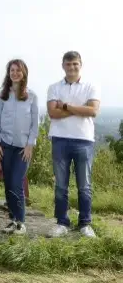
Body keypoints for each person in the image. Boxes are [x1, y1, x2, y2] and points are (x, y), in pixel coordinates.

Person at [46, 51, 100, 238]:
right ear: (63, 66)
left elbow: (93, 111)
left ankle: (85, 224)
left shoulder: (90, 86)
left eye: (75, 64)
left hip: (84, 140)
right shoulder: (54, 88)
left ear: (80, 65)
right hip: (60, 139)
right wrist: (80, 109)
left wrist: (66, 106)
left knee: (84, 185)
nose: (72, 67)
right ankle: (62, 222)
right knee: (61, 185)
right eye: (68, 64)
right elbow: (52, 113)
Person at [0, 59, 38, 235]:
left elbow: (35, 124)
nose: (15, 73)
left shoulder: (32, 96)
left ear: (24, 73)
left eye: (18, 70)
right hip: (5, 146)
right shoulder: (2, 95)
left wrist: (30, 145)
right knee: (8, 184)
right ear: (8, 73)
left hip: (22, 148)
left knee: (16, 182)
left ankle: (21, 222)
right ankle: (12, 220)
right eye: (12, 70)